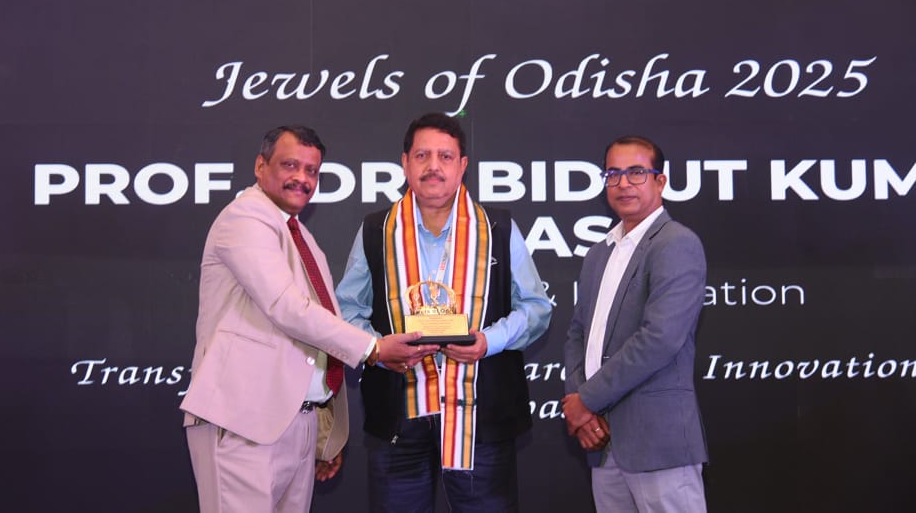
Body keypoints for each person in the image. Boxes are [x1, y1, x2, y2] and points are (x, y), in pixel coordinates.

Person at [181, 125, 429, 513]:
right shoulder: (244, 218)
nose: (302, 178)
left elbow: (315, 338)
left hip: (296, 424)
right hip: (243, 421)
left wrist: (321, 435)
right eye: (290, 165)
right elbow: (287, 307)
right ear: (260, 166)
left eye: (312, 170)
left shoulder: (300, 236)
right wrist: (373, 348)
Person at [336, 112, 552, 512]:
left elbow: (536, 308)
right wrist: (378, 349)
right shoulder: (376, 230)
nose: (433, 166)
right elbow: (346, 311)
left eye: (445, 156)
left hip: (481, 419)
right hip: (399, 418)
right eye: (422, 155)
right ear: (405, 163)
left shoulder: (498, 228)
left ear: (462, 165)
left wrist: (489, 341)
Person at [562, 135, 709, 512]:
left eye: (636, 172)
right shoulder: (599, 253)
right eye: (613, 174)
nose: (623, 183)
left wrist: (586, 400)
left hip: (658, 442)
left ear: (660, 181)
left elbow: (660, 339)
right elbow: (578, 334)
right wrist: (582, 407)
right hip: (603, 441)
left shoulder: (676, 243)